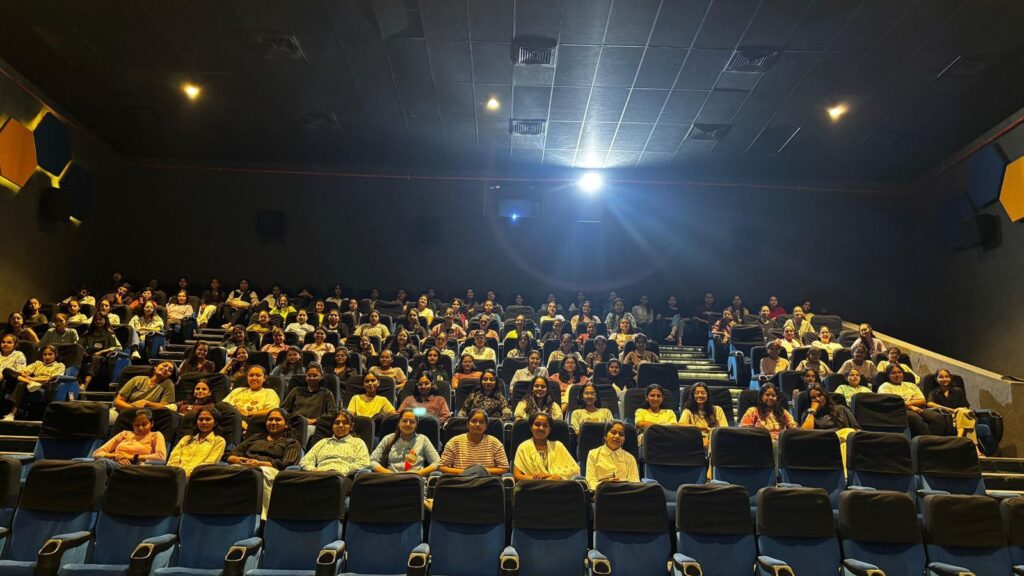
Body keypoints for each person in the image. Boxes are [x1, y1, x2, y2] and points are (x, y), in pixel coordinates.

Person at [228, 408, 303, 516]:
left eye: (277, 420)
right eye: (270, 419)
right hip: (246, 466)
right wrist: (237, 460)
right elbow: (231, 454)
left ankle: (264, 517)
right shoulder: (255, 438)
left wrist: (259, 464)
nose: (273, 422)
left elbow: (287, 463)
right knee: (230, 470)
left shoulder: (291, 442)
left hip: (271, 470)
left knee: (261, 473)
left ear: (286, 424)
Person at [2, 344, 66, 421]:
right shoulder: (38, 363)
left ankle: (12, 413)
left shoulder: (60, 365)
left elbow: (52, 378)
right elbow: (24, 371)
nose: (47, 357)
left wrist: (33, 379)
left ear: (56, 355)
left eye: (50, 354)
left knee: (21, 384)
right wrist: (24, 373)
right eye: (45, 354)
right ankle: (28, 382)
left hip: (45, 385)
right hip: (31, 384)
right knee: (6, 371)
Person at [878, 365, 945, 437]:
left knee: (937, 417)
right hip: (899, 411)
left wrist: (910, 403)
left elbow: (922, 400)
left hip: (919, 408)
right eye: (893, 373)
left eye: (899, 372)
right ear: (888, 376)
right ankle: (929, 440)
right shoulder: (885, 386)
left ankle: (935, 440)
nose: (897, 375)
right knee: (915, 418)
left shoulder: (911, 385)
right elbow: (892, 403)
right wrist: (911, 407)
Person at [439, 409, 509, 476]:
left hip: (486, 481)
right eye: (474, 421)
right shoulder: (454, 442)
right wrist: (466, 472)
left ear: (486, 427)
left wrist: (480, 472)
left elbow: (504, 468)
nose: (477, 424)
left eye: (481, 422)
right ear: (467, 424)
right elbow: (442, 467)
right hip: (460, 480)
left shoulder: (495, 443)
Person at [371, 408, 441, 475]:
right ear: (398, 423)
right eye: (404, 421)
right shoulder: (388, 439)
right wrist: (388, 473)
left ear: (416, 425)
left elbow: (437, 462)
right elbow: (372, 461)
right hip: (391, 479)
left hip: (414, 479)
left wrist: (420, 473)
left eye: (412, 422)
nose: (408, 424)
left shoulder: (423, 439)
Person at [513, 412, 580, 481]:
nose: (541, 428)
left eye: (545, 426)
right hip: (533, 485)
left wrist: (549, 475)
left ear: (550, 430)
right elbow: (517, 475)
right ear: (531, 428)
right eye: (537, 424)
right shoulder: (523, 447)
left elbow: (575, 470)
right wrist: (540, 479)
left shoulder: (558, 446)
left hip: (557, 485)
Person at [301, 410, 370, 475]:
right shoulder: (323, 442)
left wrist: (343, 471)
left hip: (341, 476)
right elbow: (305, 460)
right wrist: (313, 470)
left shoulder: (358, 442)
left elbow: (363, 462)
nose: (340, 425)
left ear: (351, 426)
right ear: (332, 426)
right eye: (337, 423)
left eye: (345, 423)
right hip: (319, 474)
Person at [927, 369, 981, 452]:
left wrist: (958, 411)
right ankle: (976, 449)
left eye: (947, 376)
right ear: (936, 379)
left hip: (960, 415)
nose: (944, 379)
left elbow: (965, 406)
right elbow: (930, 404)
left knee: (962, 412)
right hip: (947, 416)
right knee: (968, 420)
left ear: (950, 378)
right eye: (941, 377)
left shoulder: (958, 391)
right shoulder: (933, 392)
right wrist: (952, 410)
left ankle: (959, 438)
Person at [93, 408, 166, 464]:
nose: (140, 428)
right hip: (114, 462)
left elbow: (161, 457)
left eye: (144, 424)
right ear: (132, 425)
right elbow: (97, 453)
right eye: (137, 425)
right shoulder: (124, 434)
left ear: (152, 423)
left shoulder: (156, 435)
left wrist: (131, 457)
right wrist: (117, 456)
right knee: (101, 463)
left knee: (102, 464)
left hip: (136, 466)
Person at [168, 407, 226, 475]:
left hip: (197, 477)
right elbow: (173, 459)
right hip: (176, 475)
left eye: (208, 419)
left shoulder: (219, 441)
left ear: (215, 422)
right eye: (200, 419)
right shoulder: (186, 439)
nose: (203, 422)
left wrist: (187, 475)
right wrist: (175, 475)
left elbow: (209, 463)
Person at [585, 421, 639, 490]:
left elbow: (635, 483)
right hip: (602, 492)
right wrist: (605, 484)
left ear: (624, 439)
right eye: (613, 432)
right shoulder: (593, 454)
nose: (617, 436)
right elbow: (590, 482)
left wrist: (621, 484)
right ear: (605, 436)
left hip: (624, 492)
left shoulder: (630, 458)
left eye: (621, 434)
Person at [282, 362, 336, 429]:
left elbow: (332, 414)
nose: (312, 378)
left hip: (315, 425)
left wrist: (315, 420)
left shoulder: (326, 393)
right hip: (295, 424)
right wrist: (295, 419)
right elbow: (284, 410)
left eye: (315, 375)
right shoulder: (296, 391)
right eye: (309, 375)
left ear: (321, 376)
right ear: (305, 376)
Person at [79, 314, 121, 390]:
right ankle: (76, 383)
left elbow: (118, 347)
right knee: (78, 358)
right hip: (90, 355)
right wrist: (83, 352)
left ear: (105, 321)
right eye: (96, 320)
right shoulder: (88, 333)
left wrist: (102, 351)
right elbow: (78, 346)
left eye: (101, 319)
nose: (98, 321)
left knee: (96, 358)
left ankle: (85, 385)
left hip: (104, 357)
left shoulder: (110, 333)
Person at [679, 382, 728, 447]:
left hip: (714, 442)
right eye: (696, 393)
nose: (700, 395)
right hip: (695, 442)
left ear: (707, 395)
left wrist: (711, 434)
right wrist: (704, 428)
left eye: (703, 393)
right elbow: (681, 426)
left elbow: (724, 429)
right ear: (692, 396)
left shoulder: (718, 410)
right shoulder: (687, 411)